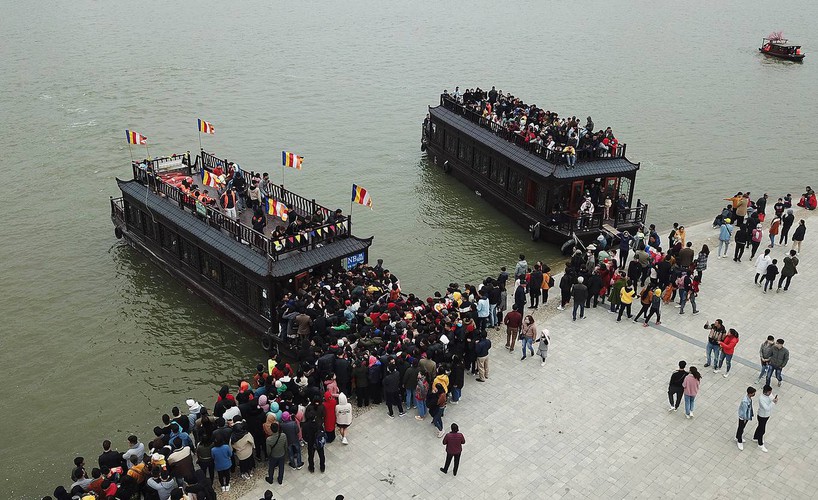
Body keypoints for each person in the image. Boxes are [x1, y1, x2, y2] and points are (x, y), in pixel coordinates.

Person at [753, 385, 778, 453]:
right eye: (769, 392)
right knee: (762, 430)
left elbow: (772, 398)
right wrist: (773, 402)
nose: (770, 393)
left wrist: (774, 400)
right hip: (762, 416)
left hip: (767, 415)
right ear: (766, 392)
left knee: (760, 427)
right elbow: (766, 408)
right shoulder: (761, 398)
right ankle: (760, 444)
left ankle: (755, 437)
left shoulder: (769, 395)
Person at [264, 421, 287, 486]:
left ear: (271, 429)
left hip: (273, 456)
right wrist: (284, 452)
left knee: (271, 468)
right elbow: (285, 445)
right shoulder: (283, 435)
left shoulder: (269, 439)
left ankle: (270, 479)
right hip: (282, 454)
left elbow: (268, 451)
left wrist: (269, 455)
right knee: (281, 467)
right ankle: (280, 480)